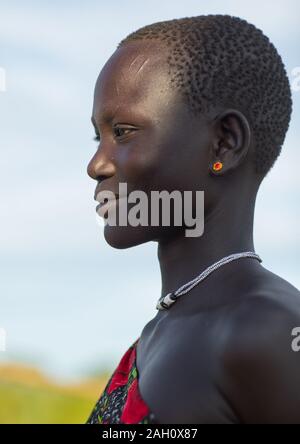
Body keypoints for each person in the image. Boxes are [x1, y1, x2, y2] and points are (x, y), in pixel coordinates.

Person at [86, 15, 300, 424]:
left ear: (224, 142)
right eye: (100, 137)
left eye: (124, 131)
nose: (96, 165)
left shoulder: (268, 330)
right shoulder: (156, 333)